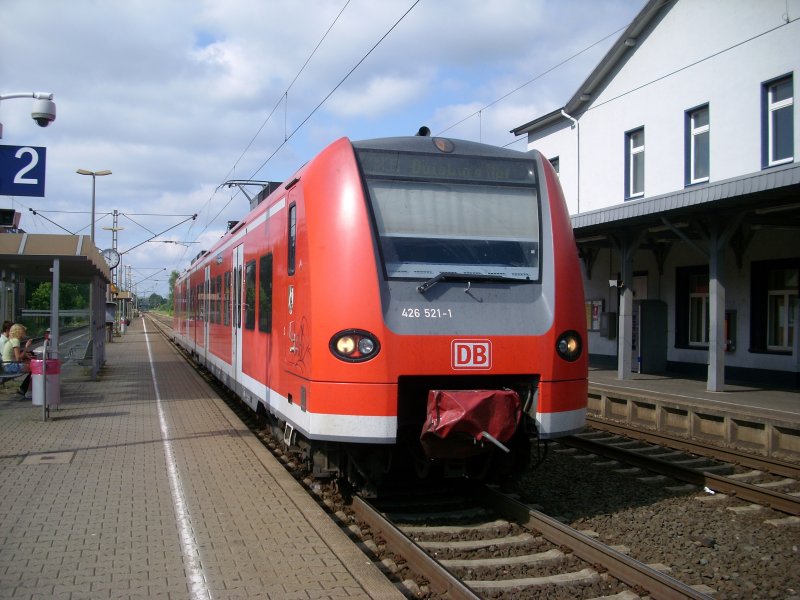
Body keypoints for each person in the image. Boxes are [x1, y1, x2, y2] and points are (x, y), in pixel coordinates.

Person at [2, 323, 33, 398]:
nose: (24, 333)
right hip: (9, 366)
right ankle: (28, 392)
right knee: (35, 369)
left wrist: (25, 355)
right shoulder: (16, 341)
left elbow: (16, 356)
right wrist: (26, 347)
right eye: (23, 331)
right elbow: (18, 358)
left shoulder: (12, 340)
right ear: (19, 332)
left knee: (31, 365)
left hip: (6, 365)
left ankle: (23, 389)